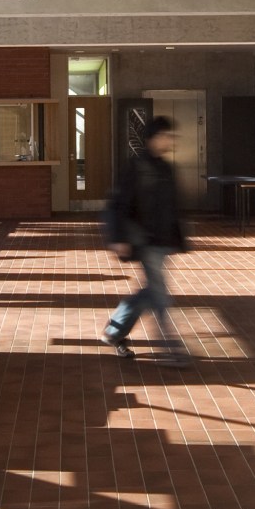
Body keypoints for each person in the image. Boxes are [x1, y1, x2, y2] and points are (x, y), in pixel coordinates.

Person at [102, 116, 191, 363]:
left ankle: (115, 331)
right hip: (145, 241)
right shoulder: (136, 167)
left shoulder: (166, 169)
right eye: (166, 136)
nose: (170, 141)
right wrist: (118, 238)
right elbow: (117, 204)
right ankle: (171, 349)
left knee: (150, 293)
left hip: (162, 242)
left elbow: (173, 207)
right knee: (160, 295)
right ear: (153, 138)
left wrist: (179, 239)